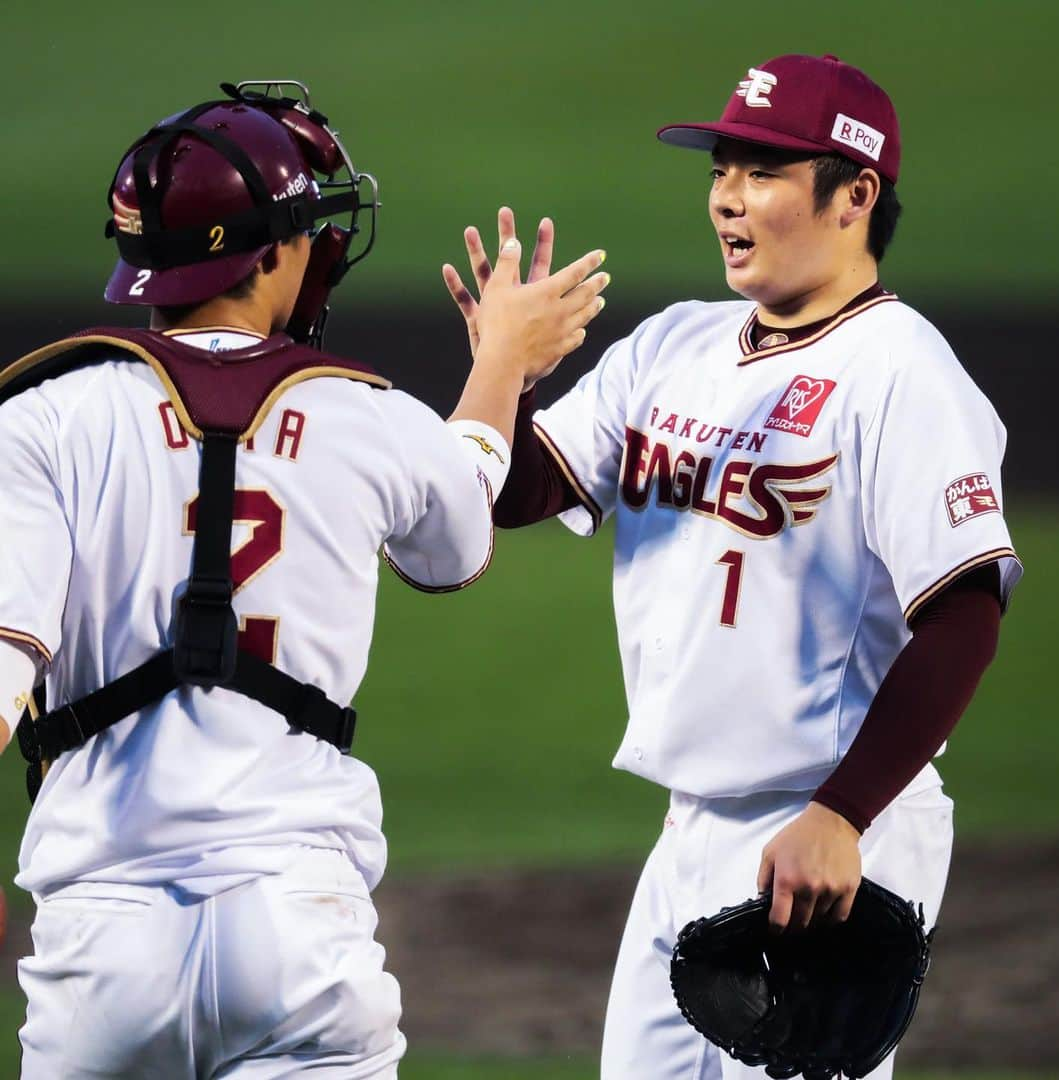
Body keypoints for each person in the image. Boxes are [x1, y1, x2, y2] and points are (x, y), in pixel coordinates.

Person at [0, 81, 607, 1077]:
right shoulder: (363, 414)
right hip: (299, 931)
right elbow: (459, 533)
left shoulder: (41, 418)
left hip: (98, 948)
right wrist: (501, 365)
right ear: (274, 250)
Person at [442, 53, 1022, 1079]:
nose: (726, 199)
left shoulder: (903, 372)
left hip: (830, 830)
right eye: (721, 170)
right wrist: (503, 374)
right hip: (688, 833)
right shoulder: (675, 345)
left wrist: (845, 812)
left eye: (762, 172)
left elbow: (964, 612)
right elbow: (516, 490)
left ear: (855, 195)